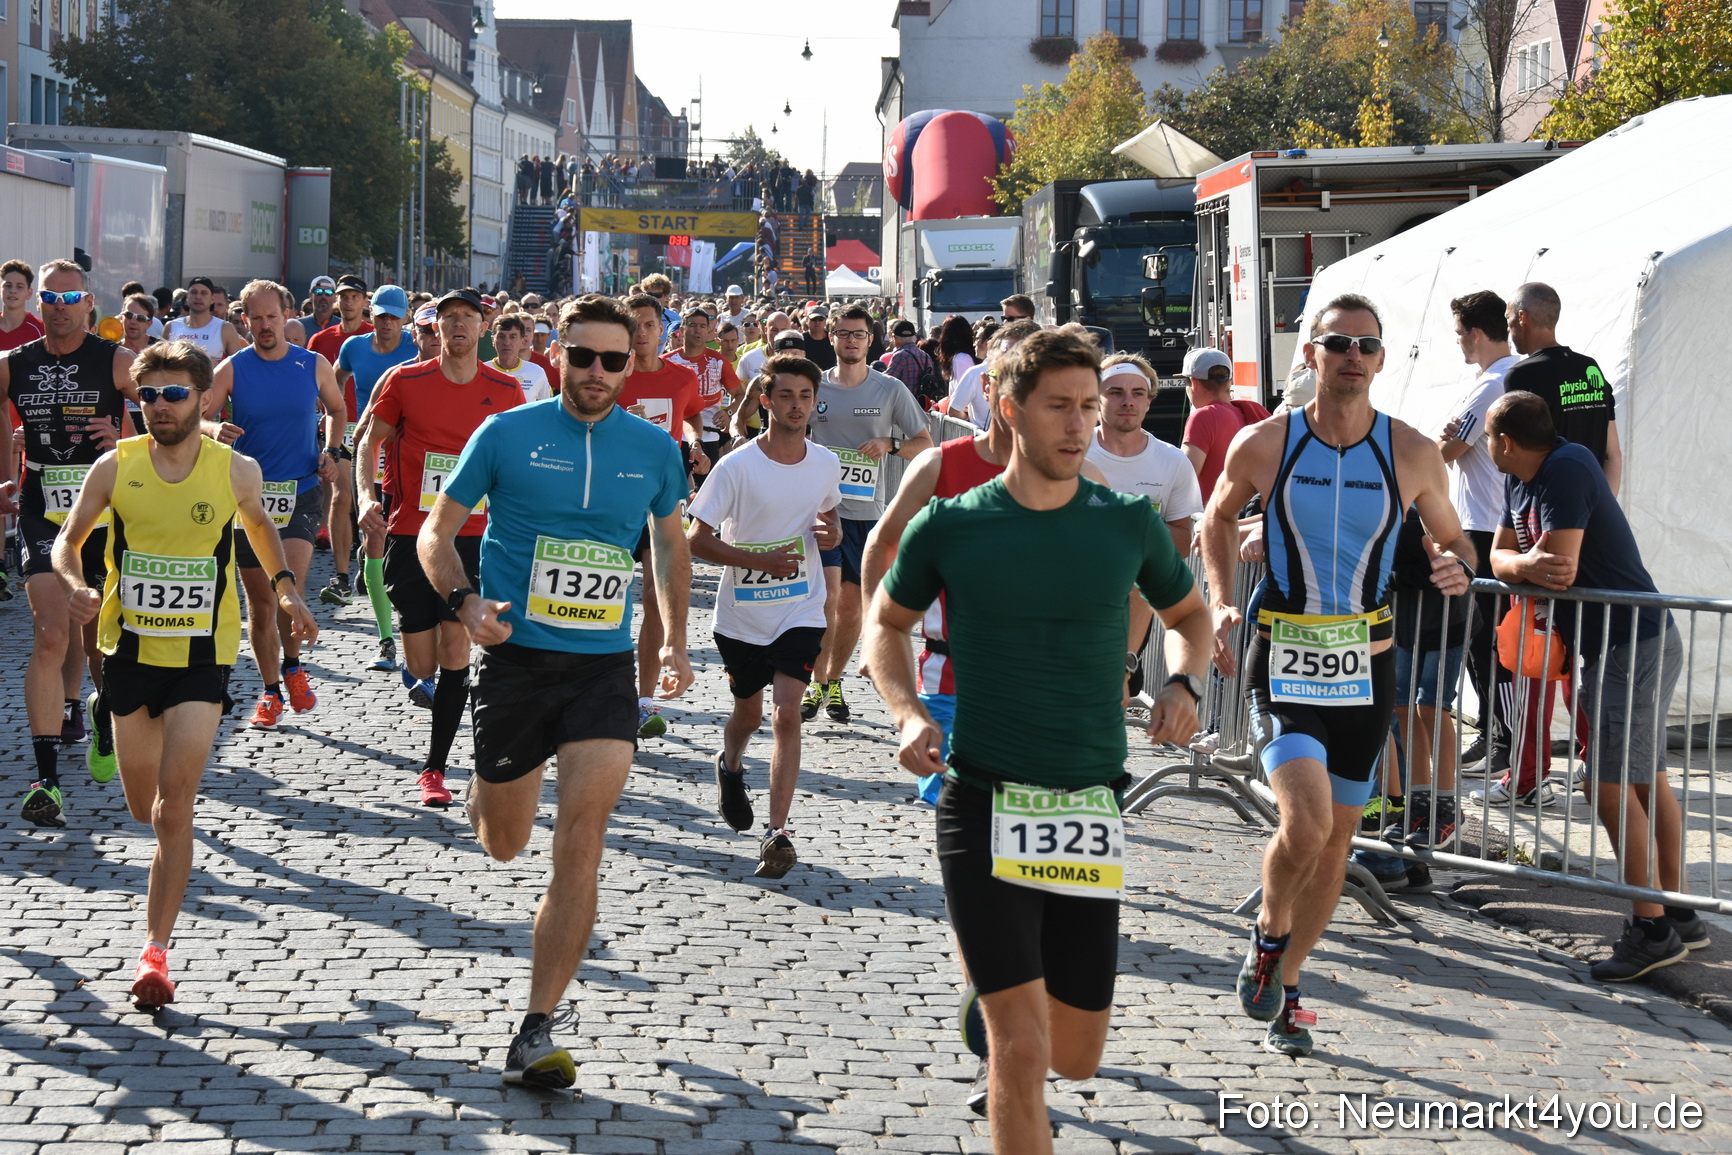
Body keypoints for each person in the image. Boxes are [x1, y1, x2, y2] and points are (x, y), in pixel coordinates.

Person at [865, 329, 1212, 1145]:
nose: (1080, 424)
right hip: (982, 795)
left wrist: (1184, 679)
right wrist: (909, 711)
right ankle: (997, 999)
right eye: (1060, 406)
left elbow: (1190, 614)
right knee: (1018, 1050)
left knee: (1078, 1055)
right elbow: (887, 620)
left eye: (1089, 407)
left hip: (1089, 804)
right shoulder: (953, 523)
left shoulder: (1126, 522)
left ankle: (1001, 991)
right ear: (1010, 409)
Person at [422, 293, 693, 1087]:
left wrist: (674, 638)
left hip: (602, 669)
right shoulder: (507, 432)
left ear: (632, 360)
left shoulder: (654, 448)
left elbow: (670, 547)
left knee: (582, 838)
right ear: (557, 354)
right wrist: (465, 603)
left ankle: (536, 1027)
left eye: (617, 359)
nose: (600, 372)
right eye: (585, 357)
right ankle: (486, 785)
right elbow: (439, 531)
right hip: (516, 663)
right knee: (504, 838)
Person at [1201, 294, 1475, 1058]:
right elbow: (1217, 518)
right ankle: (1268, 931)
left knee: (1334, 849)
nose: (1353, 356)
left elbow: (1458, 541)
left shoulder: (1414, 451)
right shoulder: (1266, 443)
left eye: (1366, 345)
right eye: (1338, 343)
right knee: (1308, 821)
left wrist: (1457, 566)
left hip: (1368, 669)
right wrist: (1223, 602)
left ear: (1381, 360)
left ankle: (1286, 982)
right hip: (1283, 660)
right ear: (1311, 356)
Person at [50, 339, 317, 1008]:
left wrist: (285, 588)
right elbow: (68, 537)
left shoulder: (236, 469)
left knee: (174, 808)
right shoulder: (116, 467)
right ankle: (102, 717)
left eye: (174, 394)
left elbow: (258, 527)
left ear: (203, 398)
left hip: (203, 653)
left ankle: (155, 953)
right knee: (142, 806)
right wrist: (72, 580)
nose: (159, 406)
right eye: (148, 395)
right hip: (130, 651)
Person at [1485, 390, 1705, 978]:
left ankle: (1653, 927)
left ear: (1505, 441)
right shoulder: (1523, 477)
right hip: (1625, 641)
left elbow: (1558, 568)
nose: (1487, 450)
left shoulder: (1566, 466)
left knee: (1610, 790)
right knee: (1645, 778)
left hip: (1629, 641)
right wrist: (1518, 566)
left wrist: (1522, 566)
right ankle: (1677, 912)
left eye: (1487, 439)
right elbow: (1502, 556)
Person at [356, 288, 525, 807]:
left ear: (483, 328)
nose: (456, 326)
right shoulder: (406, 380)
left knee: (456, 653)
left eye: (467, 318)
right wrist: (366, 498)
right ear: (432, 327)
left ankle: (435, 769)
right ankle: (437, 697)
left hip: (473, 537)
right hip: (411, 533)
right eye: (446, 318)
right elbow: (369, 441)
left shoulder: (506, 389)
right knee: (423, 663)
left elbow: (519, 464)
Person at [687, 355, 842, 877]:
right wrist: (761, 562)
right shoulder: (736, 467)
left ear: (814, 401)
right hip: (741, 616)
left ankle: (778, 833)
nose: (796, 406)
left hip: (801, 606)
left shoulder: (824, 461)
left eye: (804, 396)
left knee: (785, 714)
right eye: (785, 396)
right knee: (749, 715)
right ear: (764, 401)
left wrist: (834, 531)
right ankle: (730, 766)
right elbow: (696, 539)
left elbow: (829, 510)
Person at [0, 259, 138, 824]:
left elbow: (178, 414)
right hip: (41, 512)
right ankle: (46, 779)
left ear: (89, 304)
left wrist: (127, 433)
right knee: (53, 630)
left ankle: (103, 713)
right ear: (39, 305)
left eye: (70, 297)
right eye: (50, 300)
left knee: (102, 640)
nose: (59, 308)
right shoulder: (14, 365)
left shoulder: (117, 360)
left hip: (105, 517)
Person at [202, 280, 345, 729]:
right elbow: (201, 413)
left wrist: (332, 451)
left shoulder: (312, 364)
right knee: (261, 603)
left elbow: (337, 410)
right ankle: (269, 690)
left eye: (272, 316)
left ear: (287, 317)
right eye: (255, 318)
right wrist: (213, 430)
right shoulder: (233, 367)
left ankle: (293, 666)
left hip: (301, 491)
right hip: (248, 499)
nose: (264, 325)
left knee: (290, 590)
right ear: (244, 320)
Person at [802, 304, 933, 723]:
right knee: (827, 600)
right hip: (821, 510)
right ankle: (814, 682)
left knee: (851, 610)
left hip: (866, 514)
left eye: (858, 334)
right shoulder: (815, 386)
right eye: (843, 334)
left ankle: (832, 680)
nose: (851, 341)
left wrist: (889, 445)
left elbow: (925, 443)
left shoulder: (890, 390)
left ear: (870, 339)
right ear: (832, 337)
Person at [1089, 355, 1205, 700]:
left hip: (1133, 610)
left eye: (1138, 393)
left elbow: (1184, 541)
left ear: (1150, 400)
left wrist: (1137, 531)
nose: (1128, 401)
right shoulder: (1070, 452)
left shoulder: (1173, 463)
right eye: (1116, 392)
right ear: (1095, 396)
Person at [1439, 291, 1522, 778]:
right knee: (1481, 639)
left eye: (1458, 334)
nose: (1458, 344)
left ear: (1474, 332)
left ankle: (1506, 740)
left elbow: (1445, 449)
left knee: (1487, 640)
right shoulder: (1502, 377)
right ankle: (1497, 734)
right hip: (1491, 519)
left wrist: (1446, 437)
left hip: (1485, 524)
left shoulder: (1494, 382)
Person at [620, 293, 708, 738]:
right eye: (632, 324)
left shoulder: (680, 377)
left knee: (656, 595)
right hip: (612, 499)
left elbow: (690, 415)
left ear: (661, 329)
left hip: (660, 497)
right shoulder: (607, 374)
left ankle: (644, 698)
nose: (640, 332)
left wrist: (693, 442)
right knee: (607, 595)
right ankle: (604, 688)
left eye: (648, 324)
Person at [333, 287, 420, 658]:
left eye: (393, 317)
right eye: (381, 315)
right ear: (373, 314)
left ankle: (372, 564)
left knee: (390, 530)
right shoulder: (354, 347)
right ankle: (386, 639)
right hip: (366, 437)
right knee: (356, 509)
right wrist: (337, 416)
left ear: (405, 319)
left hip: (402, 448)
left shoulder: (413, 354)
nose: (386, 323)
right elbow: (335, 380)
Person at [1503, 282, 1622, 495]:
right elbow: (1613, 455)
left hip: (1549, 509)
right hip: (1589, 508)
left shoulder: (1522, 374)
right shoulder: (1589, 367)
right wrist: (1604, 509)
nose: (1508, 329)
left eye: (1508, 319)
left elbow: (1516, 457)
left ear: (1522, 317)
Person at [1181, 347, 1270, 504]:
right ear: (1230, 381)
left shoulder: (1203, 417)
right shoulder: (1251, 411)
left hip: (1213, 519)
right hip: (1250, 516)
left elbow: (1183, 479)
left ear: (1193, 383)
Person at [664, 306, 741, 468]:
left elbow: (740, 394)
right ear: (683, 330)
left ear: (709, 332)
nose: (697, 330)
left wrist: (729, 412)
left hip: (709, 437)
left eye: (702, 326)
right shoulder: (667, 361)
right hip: (674, 437)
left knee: (706, 490)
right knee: (676, 491)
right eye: (693, 325)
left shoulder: (718, 361)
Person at [164, 277, 246, 362]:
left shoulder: (225, 328)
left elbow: (239, 366)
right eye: (194, 292)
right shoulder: (171, 326)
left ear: (212, 299)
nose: (198, 297)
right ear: (187, 297)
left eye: (204, 293)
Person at [489, 313, 552, 402]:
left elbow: (547, 406)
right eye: (501, 336)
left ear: (522, 340)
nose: (506, 342)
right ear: (493, 340)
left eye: (513, 337)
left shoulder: (537, 372)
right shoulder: (481, 372)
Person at [0, 259, 46, 353]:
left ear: (29, 293)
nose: (13, 291)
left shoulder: (41, 331)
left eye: (19, 286)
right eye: (8, 285)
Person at [298, 275, 339, 341]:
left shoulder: (343, 326)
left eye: (328, 292)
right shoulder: (299, 326)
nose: (323, 296)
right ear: (310, 295)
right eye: (318, 291)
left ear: (335, 297)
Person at [798, 305, 836, 372]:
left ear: (825, 321)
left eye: (820, 319)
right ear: (807, 320)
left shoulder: (832, 339)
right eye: (813, 319)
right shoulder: (800, 340)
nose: (817, 322)